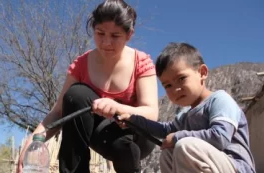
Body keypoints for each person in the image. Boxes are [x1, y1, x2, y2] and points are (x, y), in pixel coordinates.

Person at [16, 0, 159, 173]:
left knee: (123, 145)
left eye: (115, 36)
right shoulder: (81, 65)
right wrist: (33, 141)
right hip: (101, 134)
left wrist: (118, 108)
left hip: (137, 136)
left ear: (129, 34)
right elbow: (58, 112)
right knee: (76, 94)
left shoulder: (141, 62)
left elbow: (151, 113)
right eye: (100, 33)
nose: (106, 42)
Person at [117, 42, 256, 173]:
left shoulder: (220, 100)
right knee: (167, 153)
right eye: (168, 85)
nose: (176, 89)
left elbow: (220, 137)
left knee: (185, 145)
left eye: (181, 79)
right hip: (211, 166)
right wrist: (133, 120)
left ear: (202, 73)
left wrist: (178, 137)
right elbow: (165, 130)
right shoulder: (185, 115)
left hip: (235, 167)